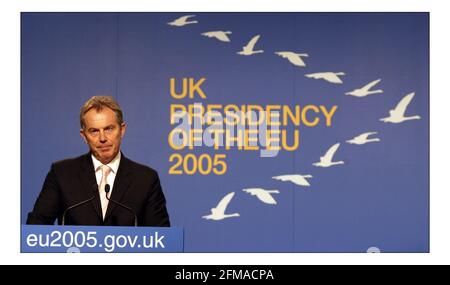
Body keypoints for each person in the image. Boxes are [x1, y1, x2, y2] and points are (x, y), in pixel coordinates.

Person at [27, 96, 170, 226]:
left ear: (122, 130)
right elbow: (36, 227)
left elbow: (161, 238)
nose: (102, 138)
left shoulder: (145, 179)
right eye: (94, 131)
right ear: (84, 136)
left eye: (109, 129)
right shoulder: (62, 174)